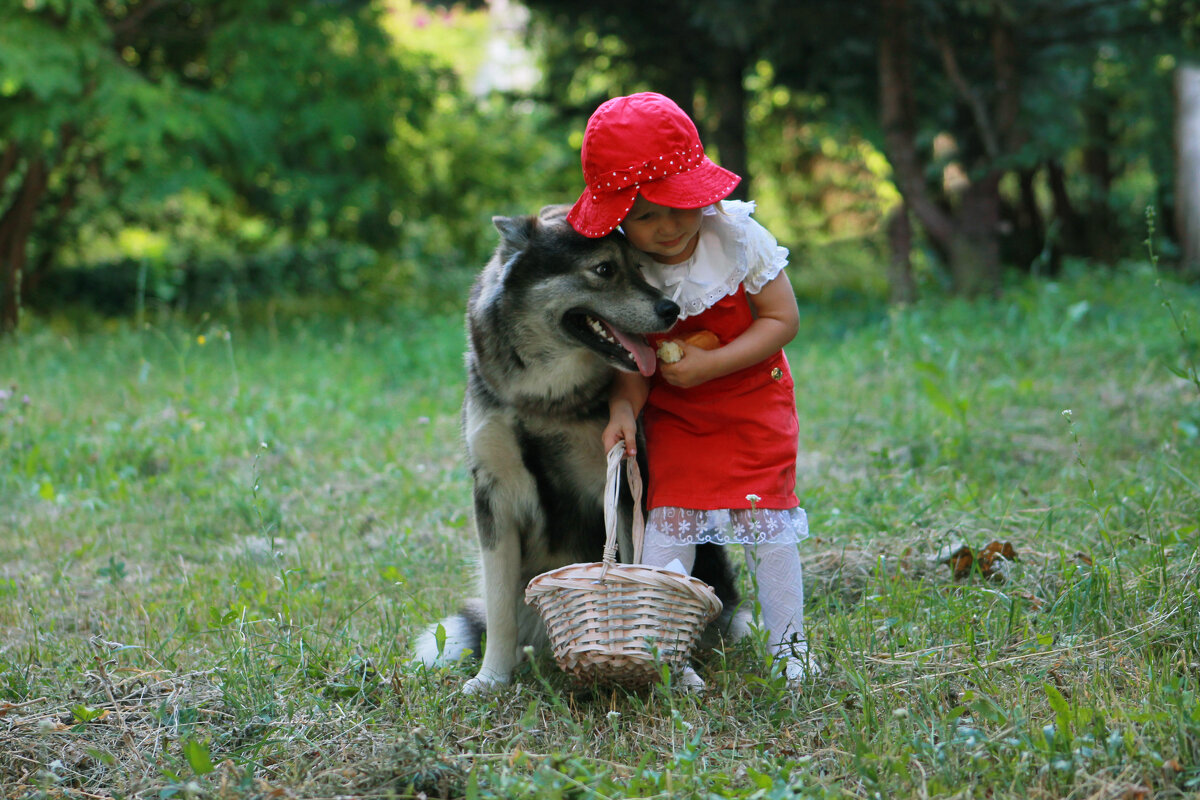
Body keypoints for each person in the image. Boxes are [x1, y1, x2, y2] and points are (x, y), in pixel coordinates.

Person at [566, 92, 819, 688]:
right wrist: (625, 408)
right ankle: (663, 657)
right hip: (679, 416)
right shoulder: (633, 266)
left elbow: (782, 321)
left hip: (754, 402)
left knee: (768, 527)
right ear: (622, 221)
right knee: (667, 526)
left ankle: (790, 646)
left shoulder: (737, 238)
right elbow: (633, 357)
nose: (668, 226)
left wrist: (713, 365)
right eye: (646, 215)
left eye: (679, 206)